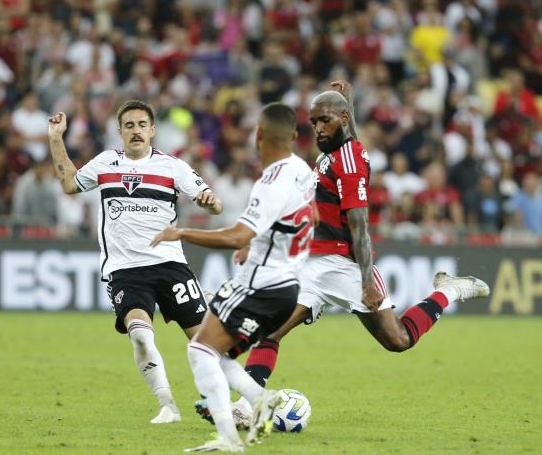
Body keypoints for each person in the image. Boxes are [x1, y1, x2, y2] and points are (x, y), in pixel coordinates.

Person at [226, 82, 490, 414]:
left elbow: (360, 226)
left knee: (398, 341)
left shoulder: (346, 162)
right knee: (271, 331)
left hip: (343, 265)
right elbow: (347, 146)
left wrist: (367, 281)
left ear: (343, 119)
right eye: (315, 123)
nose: (319, 129)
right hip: (309, 264)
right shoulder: (338, 151)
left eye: (325, 121)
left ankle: (449, 291)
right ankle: (246, 406)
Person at [150, 102, 316, 452]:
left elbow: (236, 236)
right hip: (288, 286)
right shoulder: (302, 170)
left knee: (199, 351)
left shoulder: (269, 182)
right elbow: (296, 218)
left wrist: (181, 233)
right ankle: (261, 399)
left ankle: (229, 438)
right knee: (215, 353)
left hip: (260, 284)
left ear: (258, 135)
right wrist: (255, 242)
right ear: (295, 136)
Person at [47, 100, 223, 424]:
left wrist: (211, 203)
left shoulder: (173, 167)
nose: (136, 131)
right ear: (120, 132)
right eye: (129, 126)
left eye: (142, 125)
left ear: (153, 130)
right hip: (125, 271)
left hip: (170, 265)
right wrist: (56, 138)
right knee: (141, 334)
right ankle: (168, 405)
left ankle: (227, 403)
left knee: (206, 342)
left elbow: (213, 204)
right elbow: (70, 184)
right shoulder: (105, 163)